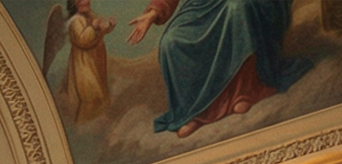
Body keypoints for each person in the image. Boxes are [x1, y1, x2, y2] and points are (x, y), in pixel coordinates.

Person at [127, 0, 312, 140]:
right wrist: (153, 13)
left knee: (237, 8)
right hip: (203, 5)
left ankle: (245, 92)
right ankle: (193, 111)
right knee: (171, 42)